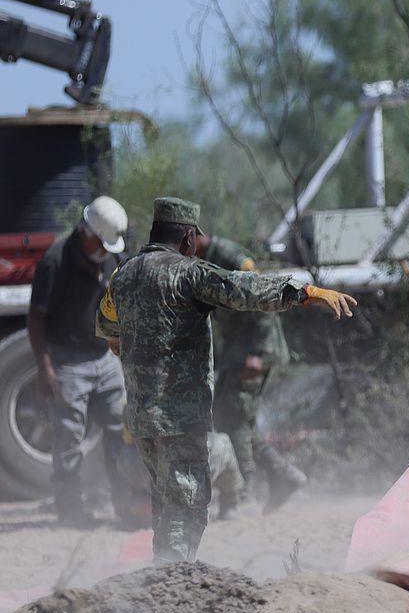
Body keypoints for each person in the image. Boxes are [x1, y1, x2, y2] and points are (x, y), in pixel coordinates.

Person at [96, 197, 358, 563]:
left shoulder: (123, 275)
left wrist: (120, 340)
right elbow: (244, 289)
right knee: (186, 506)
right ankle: (173, 578)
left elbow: (106, 323)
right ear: (188, 237)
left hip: (142, 418)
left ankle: (163, 577)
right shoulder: (188, 272)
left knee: (165, 502)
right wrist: (304, 293)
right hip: (180, 415)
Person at [28, 195, 132, 525]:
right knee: (69, 438)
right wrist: (45, 367)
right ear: (87, 232)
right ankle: (71, 512)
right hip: (68, 363)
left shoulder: (109, 258)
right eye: (102, 243)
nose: (106, 250)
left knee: (121, 429)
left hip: (105, 358)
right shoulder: (55, 262)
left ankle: (125, 503)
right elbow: (36, 318)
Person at [195, 234, 307, 513]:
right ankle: (284, 476)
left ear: (194, 236)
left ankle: (244, 493)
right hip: (239, 352)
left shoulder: (231, 257)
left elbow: (262, 294)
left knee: (233, 418)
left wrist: (259, 351)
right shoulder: (206, 259)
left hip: (253, 352)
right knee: (230, 416)